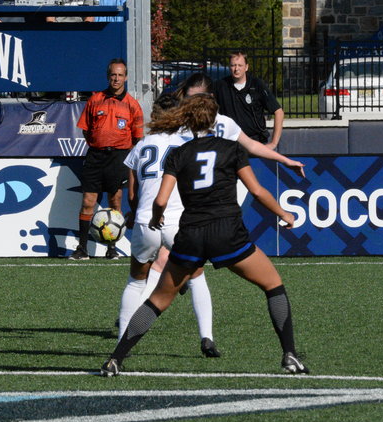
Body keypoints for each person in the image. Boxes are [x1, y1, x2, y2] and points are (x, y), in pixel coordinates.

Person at [100, 94, 309, 376]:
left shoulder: (178, 153)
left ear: (187, 119)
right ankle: (289, 355)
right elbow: (257, 191)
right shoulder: (231, 149)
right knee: (273, 285)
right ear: (214, 119)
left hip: (191, 234)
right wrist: (284, 214)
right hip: (227, 232)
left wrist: (156, 217)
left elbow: (160, 199)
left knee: (157, 300)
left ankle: (116, 358)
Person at [120, 93, 221, 357]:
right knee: (197, 276)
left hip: (146, 220)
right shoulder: (186, 144)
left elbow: (132, 194)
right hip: (178, 221)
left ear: (154, 116)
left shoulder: (141, 145)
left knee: (135, 282)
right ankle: (207, 337)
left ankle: (122, 344)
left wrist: (135, 214)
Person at [71, 58, 144, 260]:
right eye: (113, 75)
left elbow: (137, 138)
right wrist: (99, 144)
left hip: (118, 157)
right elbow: (86, 130)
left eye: (120, 75)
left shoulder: (133, 105)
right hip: (96, 156)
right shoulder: (95, 100)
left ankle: (112, 249)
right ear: (108, 76)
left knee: (115, 201)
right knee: (88, 201)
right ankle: (82, 248)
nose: (116, 79)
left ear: (126, 77)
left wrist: (121, 152)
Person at [213, 51, 284, 150]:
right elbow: (207, 110)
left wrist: (273, 143)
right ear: (229, 67)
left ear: (246, 67)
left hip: (256, 142)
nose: (236, 69)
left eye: (240, 65)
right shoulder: (220, 86)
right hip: (229, 144)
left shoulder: (257, 85)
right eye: (233, 65)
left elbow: (279, 112)